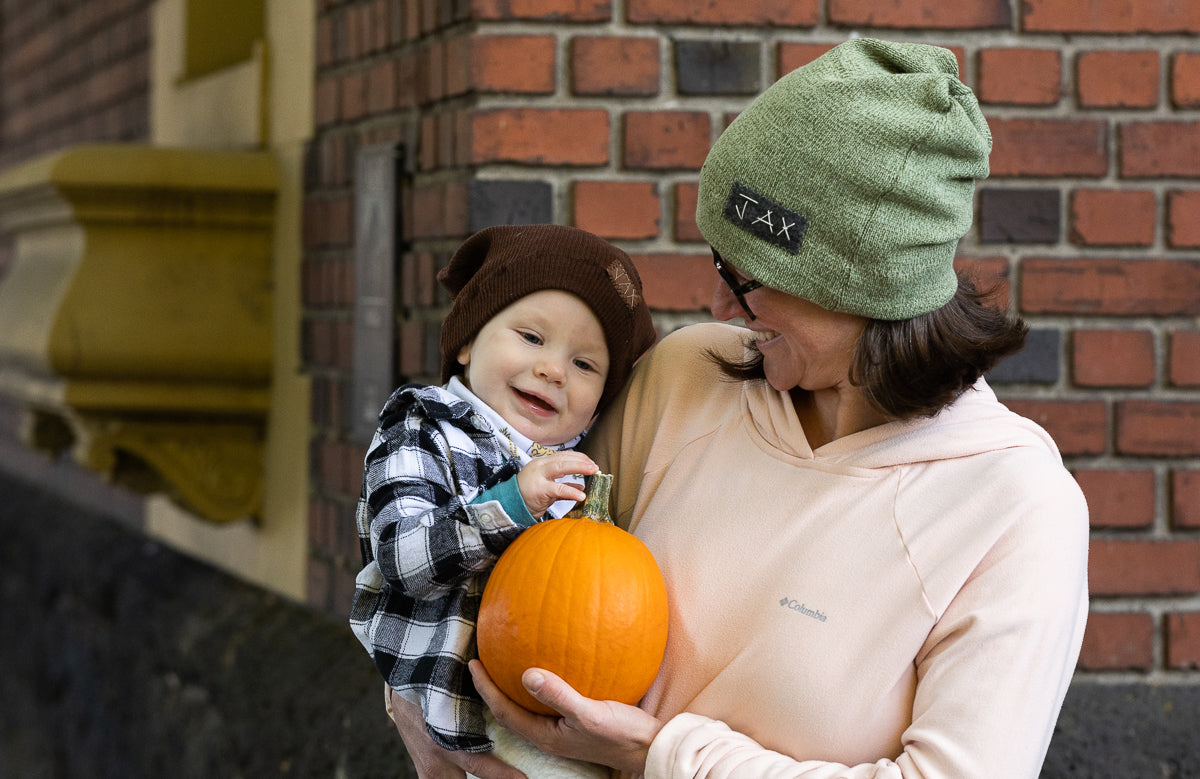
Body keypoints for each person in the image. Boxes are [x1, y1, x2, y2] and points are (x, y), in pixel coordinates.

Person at [388, 37, 1090, 779]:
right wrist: (422, 719)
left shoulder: (1014, 510)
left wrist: (660, 753)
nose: (719, 302)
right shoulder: (683, 378)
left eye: (745, 276)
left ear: (859, 290)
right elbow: (478, 554)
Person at [350, 224, 656, 778]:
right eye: (532, 338)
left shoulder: (582, 473)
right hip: (452, 713)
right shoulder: (423, 427)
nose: (553, 369)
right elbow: (405, 559)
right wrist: (511, 504)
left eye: (585, 365)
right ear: (467, 341)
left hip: (549, 720)